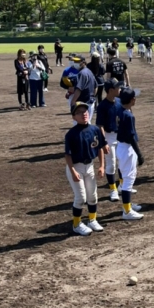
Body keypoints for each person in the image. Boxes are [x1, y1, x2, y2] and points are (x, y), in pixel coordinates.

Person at [64, 101, 106, 235]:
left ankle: (92, 220)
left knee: (92, 195)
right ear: (74, 117)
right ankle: (76, 225)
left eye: (85, 111)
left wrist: (102, 166)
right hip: (76, 167)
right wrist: (73, 171)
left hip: (90, 166)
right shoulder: (71, 134)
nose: (84, 114)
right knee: (81, 197)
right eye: (79, 112)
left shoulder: (94, 129)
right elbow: (68, 155)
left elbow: (100, 148)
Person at [116, 87, 144, 220]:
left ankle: (127, 205)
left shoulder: (119, 110)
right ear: (132, 100)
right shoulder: (129, 115)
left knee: (127, 177)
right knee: (129, 179)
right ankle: (127, 211)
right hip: (127, 149)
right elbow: (131, 137)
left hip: (121, 147)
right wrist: (139, 154)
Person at [96, 78, 124, 200]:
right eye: (118, 87)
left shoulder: (119, 102)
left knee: (122, 162)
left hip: (120, 136)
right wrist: (104, 142)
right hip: (109, 136)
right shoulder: (102, 106)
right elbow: (100, 126)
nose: (120, 89)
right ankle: (113, 190)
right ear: (111, 90)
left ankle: (122, 186)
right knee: (111, 164)